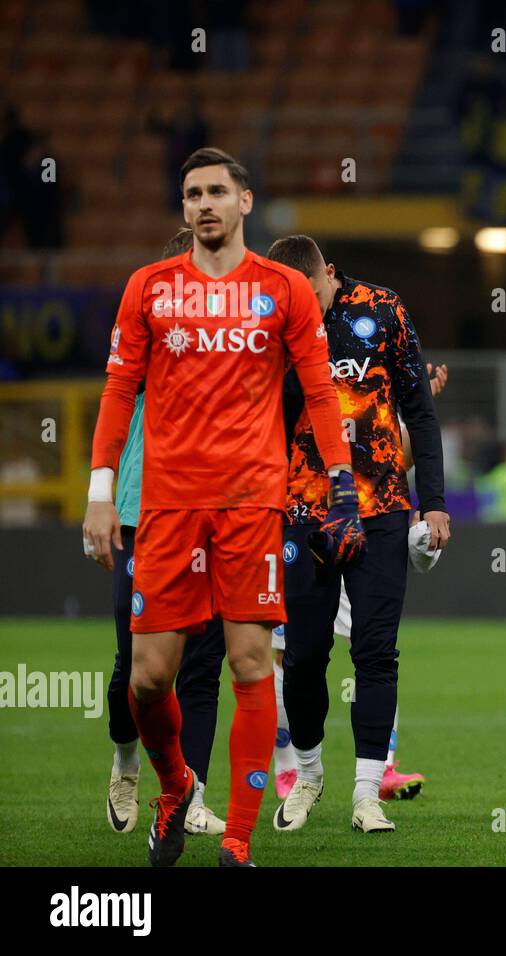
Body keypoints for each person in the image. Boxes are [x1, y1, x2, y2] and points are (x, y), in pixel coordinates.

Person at [82, 147, 359, 868]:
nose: (202, 204)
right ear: (184, 210)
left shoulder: (284, 291)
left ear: (245, 203)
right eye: (191, 194)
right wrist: (100, 495)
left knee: (249, 662)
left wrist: (341, 482)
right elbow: (117, 394)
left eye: (215, 192)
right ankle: (174, 783)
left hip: (250, 502)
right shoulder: (148, 288)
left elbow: (321, 392)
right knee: (147, 678)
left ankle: (237, 839)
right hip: (169, 506)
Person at [265, 235, 448, 835]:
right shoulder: (272, 329)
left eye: (310, 293)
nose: (305, 307)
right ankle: (309, 775)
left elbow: (419, 408)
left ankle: (367, 791)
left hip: (384, 509)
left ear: (330, 275)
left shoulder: (384, 310)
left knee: (375, 650)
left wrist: (436, 504)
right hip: (304, 512)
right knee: (305, 655)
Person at [104, 227, 228, 839]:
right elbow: (115, 402)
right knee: (136, 666)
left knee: (204, 666)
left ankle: (189, 794)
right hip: (141, 510)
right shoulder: (146, 326)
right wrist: (99, 496)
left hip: (216, 514)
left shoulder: (234, 331)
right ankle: (127, 761)